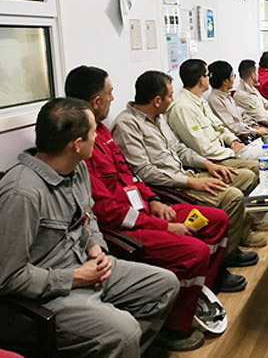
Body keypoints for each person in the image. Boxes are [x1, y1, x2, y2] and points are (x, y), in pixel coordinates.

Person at [65, 66, 249, 350]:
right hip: (125, 226)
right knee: (195, 250)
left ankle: (200, 292)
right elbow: (109, 210)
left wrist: (153, 200)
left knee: (216, 220)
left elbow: (130, 174)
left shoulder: (102, 132)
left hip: (146, 207)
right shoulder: (83, 147)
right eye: (110, 93)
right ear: (95, 101)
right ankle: (175, 326)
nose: (114, 98)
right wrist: (165, 225)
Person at [0, 98, 180, 357]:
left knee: (165, 285)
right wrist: (75, 277)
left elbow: (88, 216)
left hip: (88, 266)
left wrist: (96, 246)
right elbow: (9, 277)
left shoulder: (78, 168)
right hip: (50, 293)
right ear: (76, 144)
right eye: (94, 131)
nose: (98, 137)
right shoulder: (22, 193)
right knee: (125, 332)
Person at [112, 70, 266, 253]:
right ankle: (229, 254)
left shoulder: (158, 118)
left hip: (185, 174)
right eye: (170, 96)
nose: (173, 99)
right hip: (170, 187)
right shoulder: (127, 125)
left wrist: (207, 164)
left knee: (246, 177)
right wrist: (191, 182)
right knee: (232, 196)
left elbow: (179, 149)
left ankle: (242, 231)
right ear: (157, 101)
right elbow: (144, 172)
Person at [206, 60, 268, 139]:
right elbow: (232, 126)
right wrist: (254, 131)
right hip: (239, 138)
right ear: (225, 81)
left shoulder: (227, 95)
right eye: (232, 76)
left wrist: (254, 125)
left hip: (248, 131)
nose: (233, 79)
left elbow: (242, 114)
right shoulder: (214, 100)